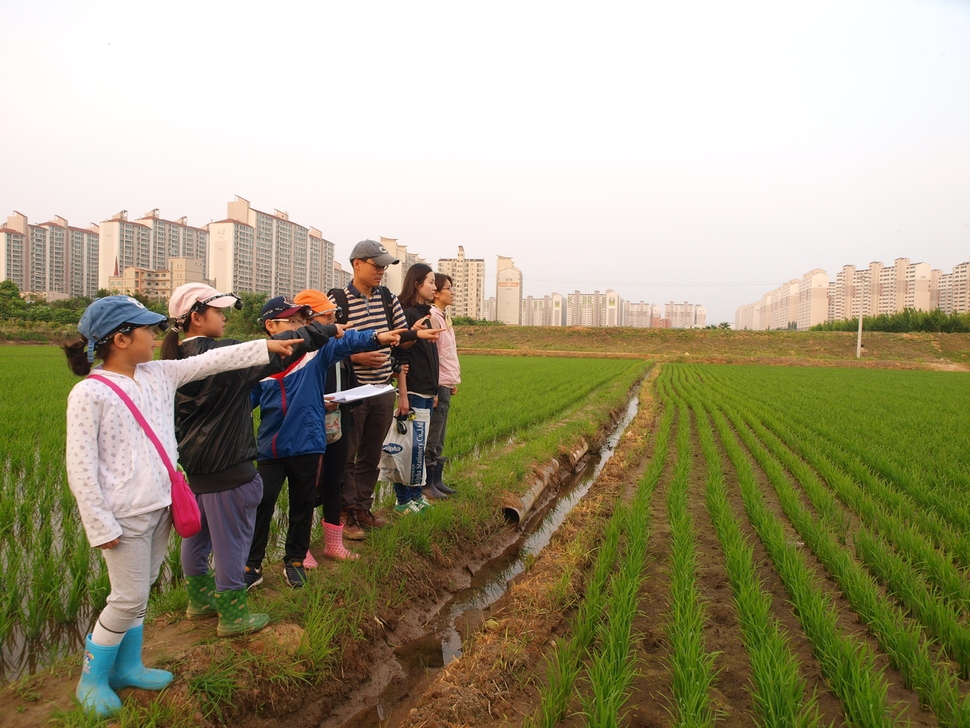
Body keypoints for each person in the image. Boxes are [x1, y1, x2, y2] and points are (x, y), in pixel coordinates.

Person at [63, 295, 296, 717]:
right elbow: (80, 467)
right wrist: (100, 525)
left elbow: (211, 362)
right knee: (126, 598)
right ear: (120, 339)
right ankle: (92, 678)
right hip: (124, 516)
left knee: (142, 591)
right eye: (146, 331)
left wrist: (265, 348)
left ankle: (128, 666)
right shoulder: (90, 393)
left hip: (160, 507)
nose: (155, 338)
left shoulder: (157, 375)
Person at [161, 283, 340, 635]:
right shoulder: (225, 357)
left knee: (198, 538)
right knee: (233, 541)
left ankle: (198, 600)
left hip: (195, 466)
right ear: (197, 318)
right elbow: (286, 351)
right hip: (229, 464)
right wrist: (328, 329)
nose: (225, 318)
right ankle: (232, 614)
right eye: (219, 312)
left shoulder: (173, 360)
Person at [246, 296, 404, 589]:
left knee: (302, 504)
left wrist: (377, 337)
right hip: (270, 446)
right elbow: (246, 402)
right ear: (271, 326)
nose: (298, 326)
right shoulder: (260, 362)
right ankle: (251, 565)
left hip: (307, 443)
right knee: (262, 504)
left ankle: (294, 561)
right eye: (291, 321)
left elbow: (347, 343)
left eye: (300, 321)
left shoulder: (314, 354)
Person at [329, 240, 439, 538]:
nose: (380, 271)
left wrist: (417, 335)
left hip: (381, 388)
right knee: (346, 456)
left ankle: (363, 508)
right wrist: (355, 355)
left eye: (383, 267)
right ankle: (345, 513)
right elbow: (327, 344)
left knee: (370, 455)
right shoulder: (338, 300)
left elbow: (401, 338)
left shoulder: (387, 298)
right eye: (376, 266)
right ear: (357, 264)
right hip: (352, 391)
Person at [293, 290, 360, 562]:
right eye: (327, 315)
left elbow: (348, 379)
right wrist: (319, 402)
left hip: (338, 422)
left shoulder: (336, 344)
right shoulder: (298, 350)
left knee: (335, 481)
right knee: (306, 486)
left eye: (333, 314)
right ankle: (300, 548)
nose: (334, 319)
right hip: (308, 425)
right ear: (308, 320)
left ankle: (334, 545)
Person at [391, 263, 441, 512]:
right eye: (431, 282)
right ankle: (403, 500)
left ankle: (415, 494)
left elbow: (431, 354)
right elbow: (399, 349)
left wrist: (433, 392)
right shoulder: (407, 313)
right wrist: (403, 392)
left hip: (426, 390)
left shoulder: (427, 314)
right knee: (407, 446)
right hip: (412, 390)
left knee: (418, 447)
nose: (435, 287)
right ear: (417, 284)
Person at [425, 273, 460, 497]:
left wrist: (452, 381)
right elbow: (433, 356)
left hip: (445, 383)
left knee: (440, 437)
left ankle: (436, 481)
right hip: (437, 385)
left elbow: (449, 353)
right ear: (436, 292)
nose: (452, 292)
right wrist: (435, 388)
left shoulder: (444, 317)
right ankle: (427, 485)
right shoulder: (433, 317)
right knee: (432, 436)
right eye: (448, 288)